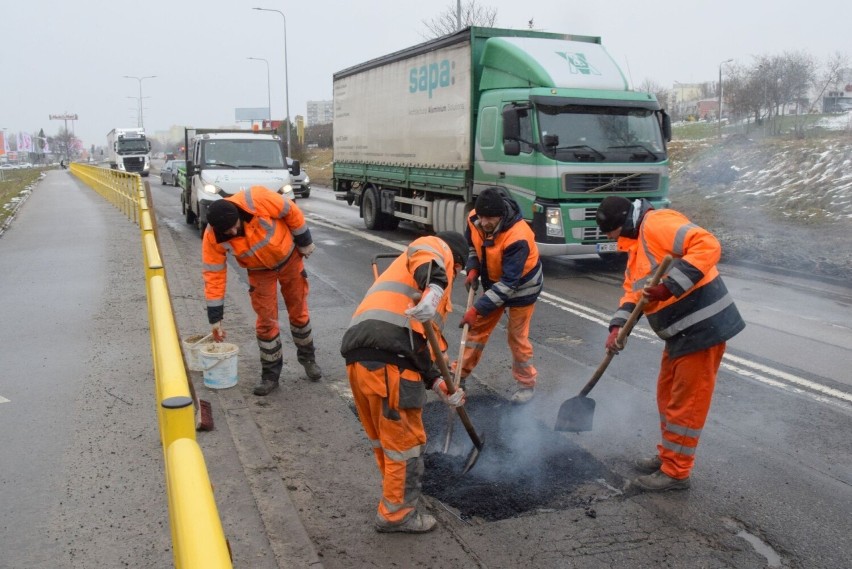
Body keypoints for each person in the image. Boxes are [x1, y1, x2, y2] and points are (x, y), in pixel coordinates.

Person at [595, 196, 746, 492]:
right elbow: (632, 294)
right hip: (680, 333)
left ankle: (676, 472)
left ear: (622, 223)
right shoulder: (636, 247)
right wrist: (616, 328)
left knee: (686, 404)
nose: (608, 238)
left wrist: (668, 286)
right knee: (667, 397)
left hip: (704, 326)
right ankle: (669, 456)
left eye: (609, 231)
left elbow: (707, 245)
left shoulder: (657, 223)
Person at [340, 232, 468, 534]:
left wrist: (439, 383)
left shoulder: (408, 295)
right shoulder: (437, 251)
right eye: (458, 269)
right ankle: (397, 516)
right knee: (405, 446)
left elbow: (425, 347)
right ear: (456, 259)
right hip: (391, 367)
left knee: (385, 442)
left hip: (360, 360)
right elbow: (426, 252)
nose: (457, 275)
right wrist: (435, 286)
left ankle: (395, 500)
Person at [202, 185, 322, 396]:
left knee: (299, 313)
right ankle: (270, 375)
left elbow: (291, 211)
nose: (231, 233)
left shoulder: (257, 198)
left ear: (238, 214)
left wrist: (305, 241)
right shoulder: (213, 236)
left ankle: (308, 359)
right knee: (266, 322)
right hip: (259, 272)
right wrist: (215, 318)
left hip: (290, 260)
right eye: (226, 232)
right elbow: (214, 274)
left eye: (233, 227)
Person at [455, 187, 544, 404]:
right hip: (495, 282)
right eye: (482, 217)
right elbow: (473, 247)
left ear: (501, 216)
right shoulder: (474, 219)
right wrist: (473, 267)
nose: (484, 223)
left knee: (517, 337)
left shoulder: (518, 236)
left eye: (490, 218)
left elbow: (509, 284)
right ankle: (458, 376)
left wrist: (476, 309)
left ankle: (526, 385)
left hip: (522, 287)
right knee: (476, 331)